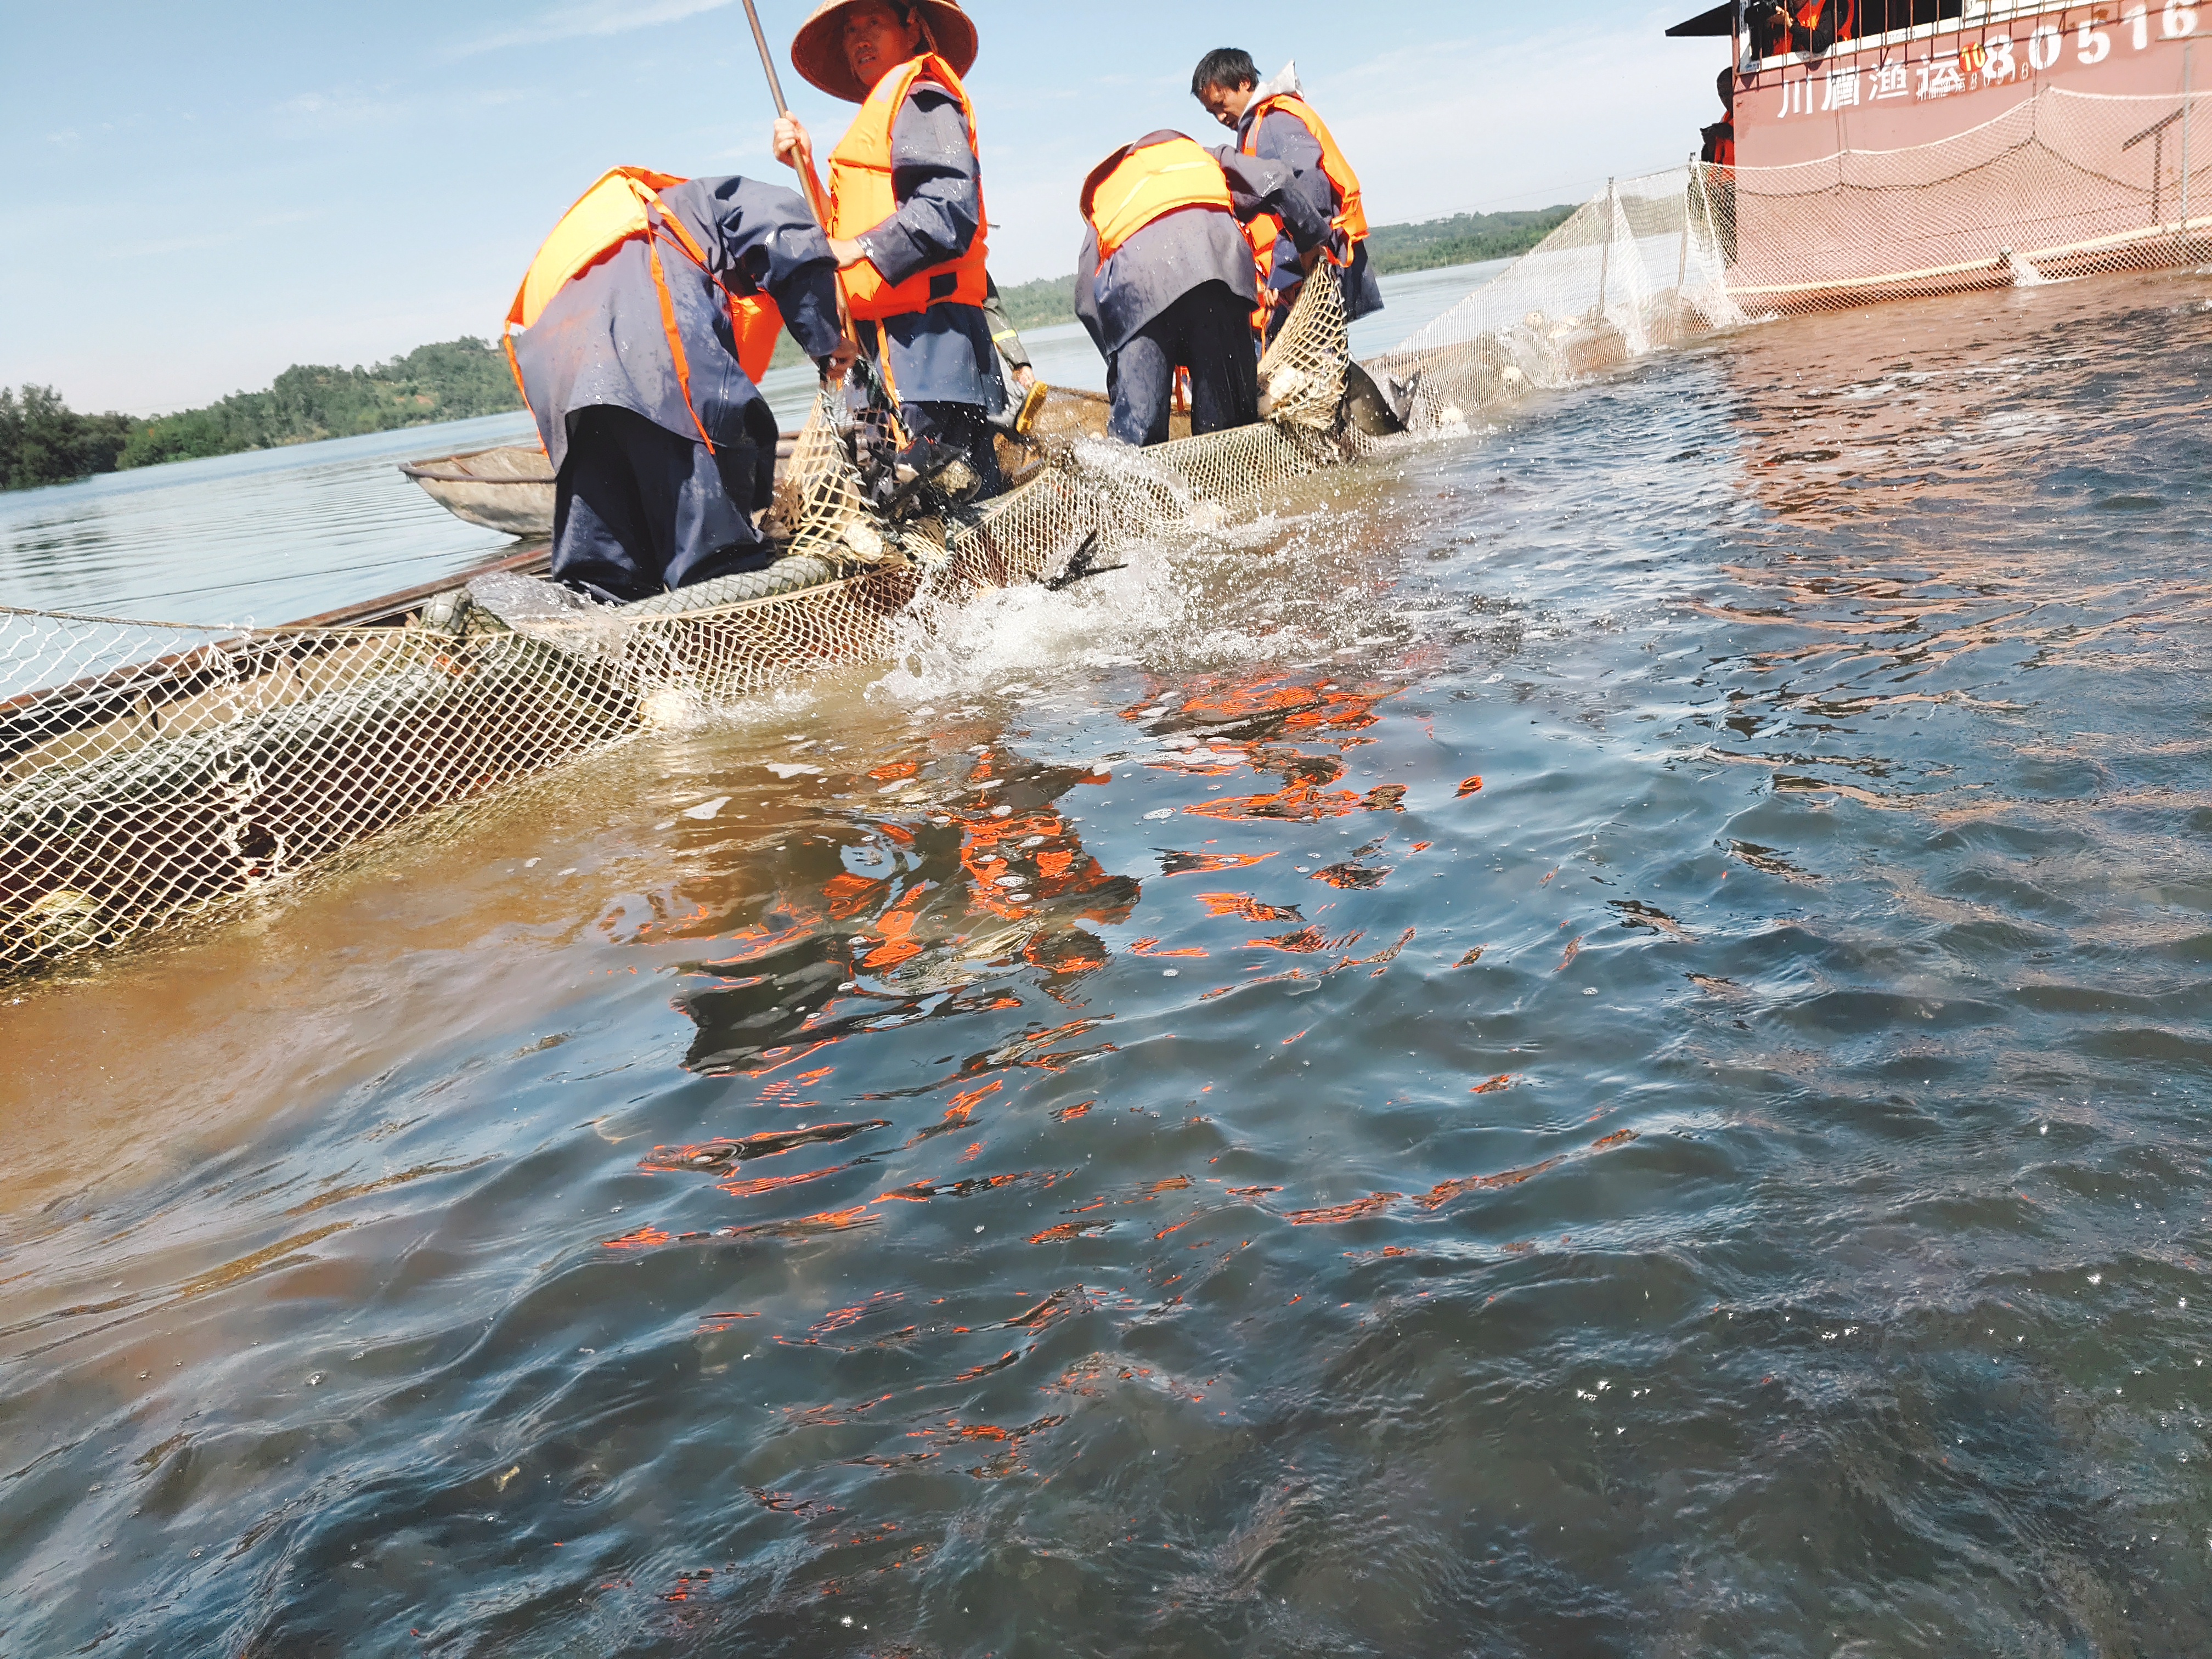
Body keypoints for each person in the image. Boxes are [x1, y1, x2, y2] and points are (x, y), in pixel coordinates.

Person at [506, 170, 853, 603]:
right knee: (713, 555)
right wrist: (824, 336)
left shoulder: (615, 232)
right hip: (648, 347)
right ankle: (732, 634)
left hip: (559, 376)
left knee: (604, 570)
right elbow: (788, 230)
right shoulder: (707, 201)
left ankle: (604, 635)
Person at [772, 0, 1003, 499]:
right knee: (890, 501)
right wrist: (806, 165)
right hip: (880, 352)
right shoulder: (879, 122)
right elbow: (838, 236)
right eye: (851, 30)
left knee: (951, 506)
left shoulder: (922, 95)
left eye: (873, 23)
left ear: (912, 26)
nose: (859, 39)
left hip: (930, 346)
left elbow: (949, 210)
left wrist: (858, 247)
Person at [1074, 131, 1327, 448]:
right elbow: (1277, 179)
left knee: (1135, 447)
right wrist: (1309, 242)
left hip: (1137, 295)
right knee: (1230, 433)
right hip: (1219, 275)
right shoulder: (1205, 156)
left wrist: (1121, 363)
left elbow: (1085, 302)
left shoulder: (1105, 197)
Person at [1189, 48, 1382, 343]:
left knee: (1310, 364)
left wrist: (1289, 269)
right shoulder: (1255, 128)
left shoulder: (1275, 121)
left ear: (1244, 83)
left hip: (1315, 263)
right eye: (1210, 112)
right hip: (1296, 269)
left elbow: (1306, 189)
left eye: (1221, 104)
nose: (1219, 117)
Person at [1701, 66, 1735, 167]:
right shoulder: (1726, 119)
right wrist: (1710, 143)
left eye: (1727, 94)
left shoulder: (1750, 116)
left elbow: (1756, 144)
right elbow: (1711, 160)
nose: (1725, 100)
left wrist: (1730, 133)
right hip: (1721, 181)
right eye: (1721, 96)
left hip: (1742, 179)